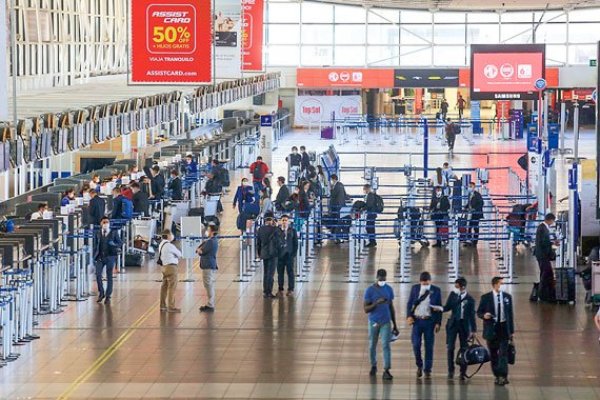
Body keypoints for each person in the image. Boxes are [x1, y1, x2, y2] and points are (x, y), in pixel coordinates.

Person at [477, 277, 514, 386]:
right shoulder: (486, 298)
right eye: (500, 284)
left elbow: (510, 315)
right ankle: (497, 375)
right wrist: (484, 315)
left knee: (503, 353)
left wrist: (511, 331)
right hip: (491, 329)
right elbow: (479, 312)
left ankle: (503, 375)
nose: (501, 286)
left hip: (503, 328)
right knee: (493, 354)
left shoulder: (507, 297)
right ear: (494, 285)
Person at [406, 271, 443, 379]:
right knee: (416, 344)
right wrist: (409, 316)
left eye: (427, 283)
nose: (425, 285)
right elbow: (410, 303)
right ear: (420, 281)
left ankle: (427, 369)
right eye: (423, 283)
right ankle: (419, 365)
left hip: (429, 321)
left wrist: (438, 322)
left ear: (430, 281)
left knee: (429, 346)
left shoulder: (436, 290)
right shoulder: (415, 288)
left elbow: (439, 307)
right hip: (417, 321)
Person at [364, 269, 398, 381]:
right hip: (374, 321)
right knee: (372, 345)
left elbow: (391, 307)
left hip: (386, 322)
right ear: (377, 277)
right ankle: (373, 365)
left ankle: (386, 370)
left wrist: (395, 324)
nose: (382, 280)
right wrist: (376, 303)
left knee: (385, 345)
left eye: (384, 279)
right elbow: (366, 309)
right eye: (381, 279)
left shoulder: (389, 289)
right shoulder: (369, 291)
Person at [443, 278, 477, 380]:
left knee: (464, 348)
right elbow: (447, 307)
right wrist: (439, 308)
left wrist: (474, 330)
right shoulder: (453, 295)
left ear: (463, 287)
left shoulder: (470, 300)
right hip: (453, 324)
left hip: (464, 325)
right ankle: (450, 370)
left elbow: (472, 316)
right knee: (450, 348)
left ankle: (463, 371)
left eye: (457, 286)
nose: (455, 288)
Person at [94, 217, 122, 305]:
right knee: (98, 274)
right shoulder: (98, 233)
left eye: (107, 222)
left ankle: (108, 296)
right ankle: (101, 292)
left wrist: (114, 245)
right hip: (100, 257)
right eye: (104, 222)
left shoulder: (113, 233)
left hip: (110, 256)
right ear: (101, 223)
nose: (106, 224)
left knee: (109, 276)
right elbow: (96, 244)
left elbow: (120, 242)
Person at [256, 213, 281, 299]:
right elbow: (279, 238)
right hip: (273, 253)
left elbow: (258, 243)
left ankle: (265, 291)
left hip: (264, 253)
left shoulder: (260, 229)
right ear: (272, 220)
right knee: (271, 273)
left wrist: (259, 253)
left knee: (266, 273)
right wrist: (277, 226)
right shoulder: (274, 229)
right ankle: (269, 292)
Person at [157, 229, 182, 313]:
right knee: (172, 287)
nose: (172, 236)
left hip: (164, 267)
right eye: (171, 234)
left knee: (164, 286)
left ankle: (162, 305)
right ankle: (171, 306)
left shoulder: (161, 244)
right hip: (171, 267)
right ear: (168, 235)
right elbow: (179, 254)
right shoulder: (169, 245)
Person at [534, 213, 557, 302]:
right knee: (546, 274)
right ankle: (542, 295)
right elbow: (544, 242)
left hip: (541, 255)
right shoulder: (543, 228)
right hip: (542, 255)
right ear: (550, 220)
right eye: (552, 221)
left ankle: (543, 294)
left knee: (545, 273)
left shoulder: (542, 227)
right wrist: (553, 243)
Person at [197, 224, 219, 312]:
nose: (207, 231)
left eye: (208, 229)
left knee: (208, 284)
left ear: (212, 231)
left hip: (208, 265)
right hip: (209, 264)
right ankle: (210, 303)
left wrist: (199, 251)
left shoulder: (211, 242)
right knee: (208, 284)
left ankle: (210, 304)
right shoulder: (211, 241)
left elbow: (202, 251)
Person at [277, 215, 298, 297]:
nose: (284, 222)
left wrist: (293, 254)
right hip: (280, 255)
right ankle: (280, 289)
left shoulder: (292, 231)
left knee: (290, 272)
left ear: (288, 222)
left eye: (286, 220)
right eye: (283, 220)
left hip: (289, 255)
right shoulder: (277, 231)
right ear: (280, 221)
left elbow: (295, 243)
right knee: (280, 273)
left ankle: (291, 289)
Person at [329, 174, 347, 243]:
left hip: (337, 206)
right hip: (341, 205)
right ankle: (336, 235)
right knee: (339, 221)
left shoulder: (336, 186)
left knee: (337, 221)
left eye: (331, 180)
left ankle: (337, 236)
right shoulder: (341, 184)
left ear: (333, 179)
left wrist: (331, 189)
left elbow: (333, 195)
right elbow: (345, 194)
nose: (331, 181)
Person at [465, 182, 484, 247]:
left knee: (475, 227)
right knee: (469, 227)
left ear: (474, 187)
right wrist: (466, 207)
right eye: (469, 186)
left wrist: (475, 209)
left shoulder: (477, 195)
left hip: (476, 214)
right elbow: (469, 203)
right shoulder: (469, 194)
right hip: (471, 213)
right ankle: (469, 240)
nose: (469, 187)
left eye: (471, 186)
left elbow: (481, 203)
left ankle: (475, 242)